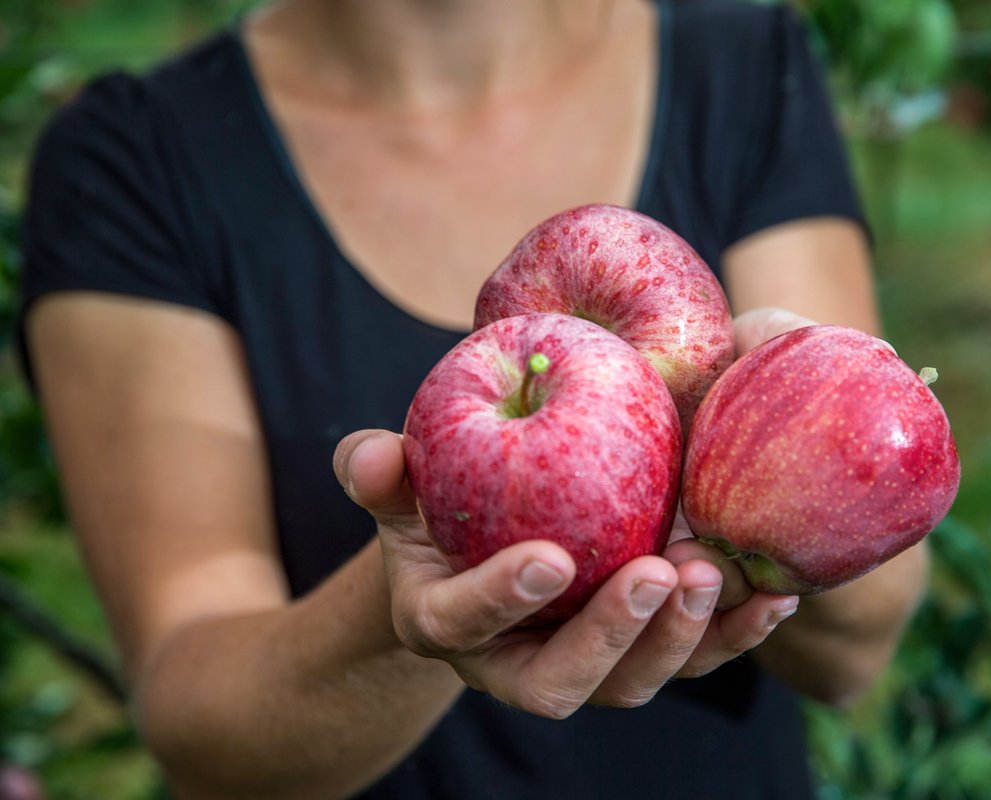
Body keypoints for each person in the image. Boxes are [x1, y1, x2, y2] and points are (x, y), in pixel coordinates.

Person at [18, 0, 929, 797]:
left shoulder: (745, 65)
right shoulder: (130, 159)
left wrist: (770, 450)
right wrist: (424, 588)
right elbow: (200, 736)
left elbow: (853, 653)